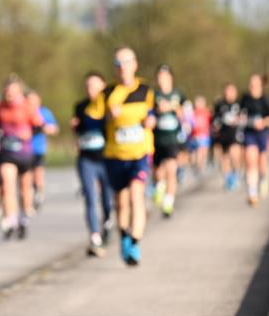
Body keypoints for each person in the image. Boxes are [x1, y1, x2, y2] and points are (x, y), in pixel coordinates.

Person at [101, 47, 155, 266]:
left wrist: (150, 121)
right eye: (118, 63)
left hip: (139, 153)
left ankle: (135, 242)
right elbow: (97, 122)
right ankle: (124, 236)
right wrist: (108, 116)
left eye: (126, 62)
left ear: (135, 65)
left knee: (136, 196)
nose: (122, 67)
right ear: (115, 69)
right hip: (115, 155)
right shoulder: (107, 93)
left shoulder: (145, 90)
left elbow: (152, 114)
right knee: (121, 204)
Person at [0, 77, 44, 239]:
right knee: (7, 185)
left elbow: (39, 126)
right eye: (7, 91)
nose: (9, 94)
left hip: (25, 154)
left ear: (19, 92)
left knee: (24, 189)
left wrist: (27, 133)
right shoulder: (0, 108)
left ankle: (23, 218)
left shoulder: (27, 107)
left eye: (13, 91)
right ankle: (10, 219)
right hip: (6, 153)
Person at [71, 71, 113, 257]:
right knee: (89, 196)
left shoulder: (109, 106)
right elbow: (79, 131)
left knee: (106, 198)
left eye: (95, 86)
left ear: (103, 87)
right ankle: (95, 237)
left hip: (106, 158)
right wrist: (75, 128)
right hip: (86, 158)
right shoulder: (80, 106)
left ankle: (107, 221)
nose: (91, 89)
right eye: (88, 86)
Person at [151, 64, 185, 218]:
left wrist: (172, 108)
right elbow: (147, 114)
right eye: (159, 76)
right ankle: (159, 186)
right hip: (156, 139)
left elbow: (185, 115)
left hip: (173, 139)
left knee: (171, 170)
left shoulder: (178, 95)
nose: (161, 79)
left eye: (164, 76)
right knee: (158, 172)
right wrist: (158, 110)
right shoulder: (152, 95)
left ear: (170, 77)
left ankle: (168, 203)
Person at [239, 74, 269, 206]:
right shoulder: (245, 99)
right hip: (249, 134)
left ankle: (263, 179)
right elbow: (240, 114)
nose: (252, 86)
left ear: (260, 85)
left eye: (255, 83)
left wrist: (263, 123)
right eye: (251, 83)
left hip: (262, 134)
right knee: (250, 162)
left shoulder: (265, 100)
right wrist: (243, 120)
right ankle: (252, 193)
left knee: (262, 164)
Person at [27, 90, 59, 211]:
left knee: (38, 174)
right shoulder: (23, 112)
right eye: (29, 100)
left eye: (33, 99)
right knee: (27, 176)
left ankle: (39, 193)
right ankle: (28, 199)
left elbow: (54, 128)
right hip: (25, 150)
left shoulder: (44, 113)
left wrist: (45, 128)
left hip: (38, 149)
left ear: (38, 100)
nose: (31, 102)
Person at [212, 83, 243, 192]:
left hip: (235, 134)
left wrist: (239, 119)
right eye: (228, 91)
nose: (230, 93)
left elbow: (244, 117)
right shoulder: (220, 104)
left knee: (235, 154)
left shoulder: (240, 104)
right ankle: (228, 179)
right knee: (224, 157)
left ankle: (237, 174)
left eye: (232, 91)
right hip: (223, 134)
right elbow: (214, 119)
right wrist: (216, 126)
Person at [189, 95, 212, 173]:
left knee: (203, 151)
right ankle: (196, 165)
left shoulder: (207, 112)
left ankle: (201, 165)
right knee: (195, 152)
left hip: (204, 135)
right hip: (194, 135)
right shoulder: (192, 112)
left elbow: (211, 122)